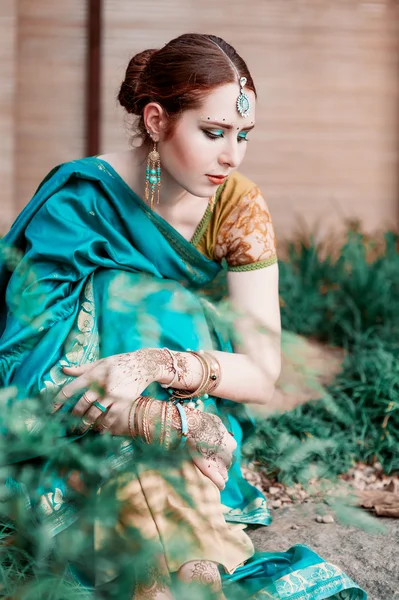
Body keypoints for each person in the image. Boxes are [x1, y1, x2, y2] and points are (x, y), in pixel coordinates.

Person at [0, 33, 366, 599]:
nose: (232, 155)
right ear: (155, 120)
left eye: (243, 136)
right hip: (80, 420)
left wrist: (153, 363)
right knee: (125, 290)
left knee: (169, 311)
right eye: (214, 132)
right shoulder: (79, 203)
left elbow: (263, 373)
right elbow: (23, 372)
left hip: (179, 400)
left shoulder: (236, 207)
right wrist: (166, 422)